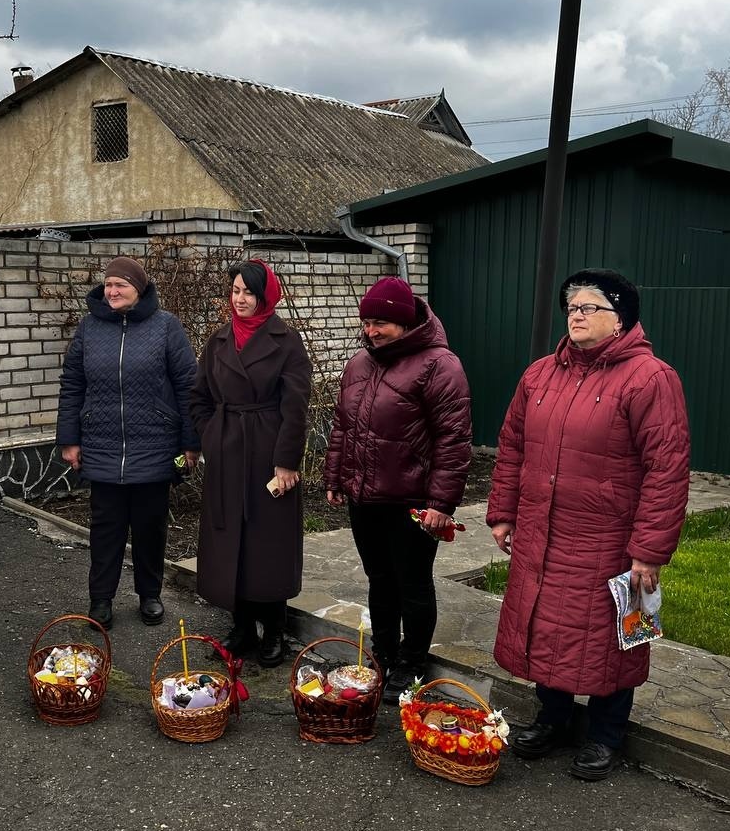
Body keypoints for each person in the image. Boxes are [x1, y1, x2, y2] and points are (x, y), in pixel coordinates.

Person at [487, 268, 689, 782]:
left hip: (611, 541)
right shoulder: (539, 374)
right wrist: (504, 511)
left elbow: (666, 469)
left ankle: (605, 735)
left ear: (620, 318)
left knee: (614, 638)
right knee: (547, 628)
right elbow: (512, 446)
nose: (575, 315)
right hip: (543, 530)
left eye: (589, 307)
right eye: (571, 308)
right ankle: (552, 719)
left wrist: (649, 549)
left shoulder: (651, 379)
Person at [324, 276, 472, 695]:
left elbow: (453, 439)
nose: (372, 331)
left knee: (413, 583)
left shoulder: (441, 366)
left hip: (412, 501)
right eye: (367, 322)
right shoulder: (359, 363)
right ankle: (384, 654)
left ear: (406, 324)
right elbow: (342, 427)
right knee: (379, 578)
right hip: (365, 497)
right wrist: (336, 477)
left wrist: (443, 501)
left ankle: (411, 663)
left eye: (382, 323)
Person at [55, 256, 198, 630]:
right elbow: (72, 383)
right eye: (108, 285)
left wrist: (190, 441)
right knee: (106, 530)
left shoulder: (165, 327)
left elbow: (188, 385)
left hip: (155, 444)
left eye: (121, 285)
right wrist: (69, 437)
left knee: (150, 528)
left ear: (140, 289)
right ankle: (101, 600)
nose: (113, 291)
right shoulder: (89, 328)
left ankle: (149, 595)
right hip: (100, 444)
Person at [190, 260, 311, 667]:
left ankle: (274, 630)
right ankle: (241, 627)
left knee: (268, 544)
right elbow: (199, 396)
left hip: (268, 455)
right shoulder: (219, 341)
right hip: (228, 453)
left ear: (265, 296)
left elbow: (296, 407)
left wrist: (286, 461)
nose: (239, 299)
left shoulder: (287, 341)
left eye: (248, 292)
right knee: (231, 542)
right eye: (235, 290)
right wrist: (212, 435)